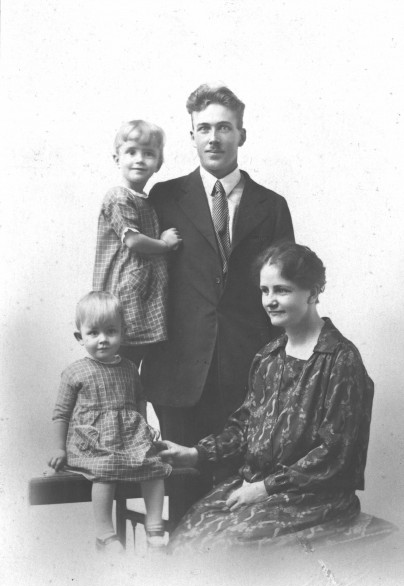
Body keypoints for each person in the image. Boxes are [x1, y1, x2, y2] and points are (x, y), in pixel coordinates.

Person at [159, 242, 374, 552]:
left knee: (224, 548)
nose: (270, 301)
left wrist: (265, 488)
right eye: (265, 290)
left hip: (313, 497)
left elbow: (334, 453)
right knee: (186, 536)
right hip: (257, 485)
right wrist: (195, 454)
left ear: (313, 292)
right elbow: (244, 428)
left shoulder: (340, 359)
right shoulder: (268, 356)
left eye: (282, 290)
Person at [141, 85, 294, 508]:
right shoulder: (164, 198)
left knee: (236, 505)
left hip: (248, 376)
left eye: (224, 127)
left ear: (241, 134)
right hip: (178, 373)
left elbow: (286, 296)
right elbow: (142, 281)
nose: (214, 138)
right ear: (191, 135)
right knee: (183, 502)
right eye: (204, 128)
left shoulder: (272, 205)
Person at [48, 291, 172, 553]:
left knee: (153, 466)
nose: (103, 339)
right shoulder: (75, 372)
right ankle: (105, 534)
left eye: (111, 331)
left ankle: (154, 527)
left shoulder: (128, 368)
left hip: (128, 438)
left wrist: (143, 431)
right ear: (79, 337)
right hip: (93, 443)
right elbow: (61, 413)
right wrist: (59, 448)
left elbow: (139, 402)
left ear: (122, 333)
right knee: (104, 470)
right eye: (93, 333)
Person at [92, 119, 182, 368]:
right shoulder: (119, 197)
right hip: (125, 291)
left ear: (158, 163)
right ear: (117, 158)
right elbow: (132, 240)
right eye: (131, 152)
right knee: (119, 362)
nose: (139, 159)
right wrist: (164, 245)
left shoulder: (145, 200)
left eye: (148, 153)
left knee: (133, 368)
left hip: (141, 294)